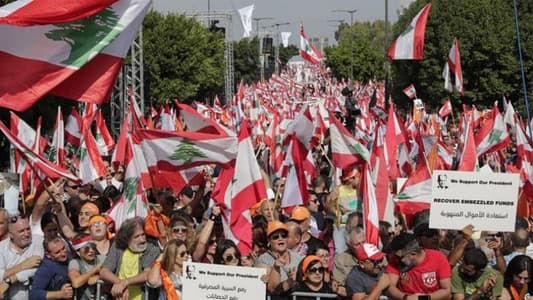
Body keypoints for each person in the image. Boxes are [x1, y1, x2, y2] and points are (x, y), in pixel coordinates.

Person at [100, 217, 160, 300]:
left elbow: (147, 274)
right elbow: (104, 272)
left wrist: (126, 282)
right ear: (127, 239)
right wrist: (120, 283)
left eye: (143, 235)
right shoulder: (118, 247)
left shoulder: (151, 248)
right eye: (137, 237)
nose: (142, 240)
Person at [386, 232, 452, 300]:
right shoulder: (395, 260)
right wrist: (406, 298)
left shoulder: (438, 258)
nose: (396, 259)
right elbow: (389, 287)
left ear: (413, 254)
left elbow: (446, 290)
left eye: (399, 257)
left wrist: (423, 298)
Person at [0, 214, 44, 300]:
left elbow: (36, 269)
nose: (26, 234)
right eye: (21, 231)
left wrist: (9, 280)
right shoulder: (1, 249)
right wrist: (22, 265)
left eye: (28, 229)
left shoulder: (38, 241)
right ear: (11, 235)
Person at [255, 221, 303, 299]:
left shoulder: (298, 257)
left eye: (284, 236)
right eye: (275, 237)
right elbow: (272, 289)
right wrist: (276, 268)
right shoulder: (263, 260)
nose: (280, 239)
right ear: (269, 240)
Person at [68, 235, 103, 300]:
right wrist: (94, 270)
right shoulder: (75, 262)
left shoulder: (101, 259)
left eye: (93, 247)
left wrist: (99, 277)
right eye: (87, 248)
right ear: (78, 252)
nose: (91, 251)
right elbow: (76, 283)